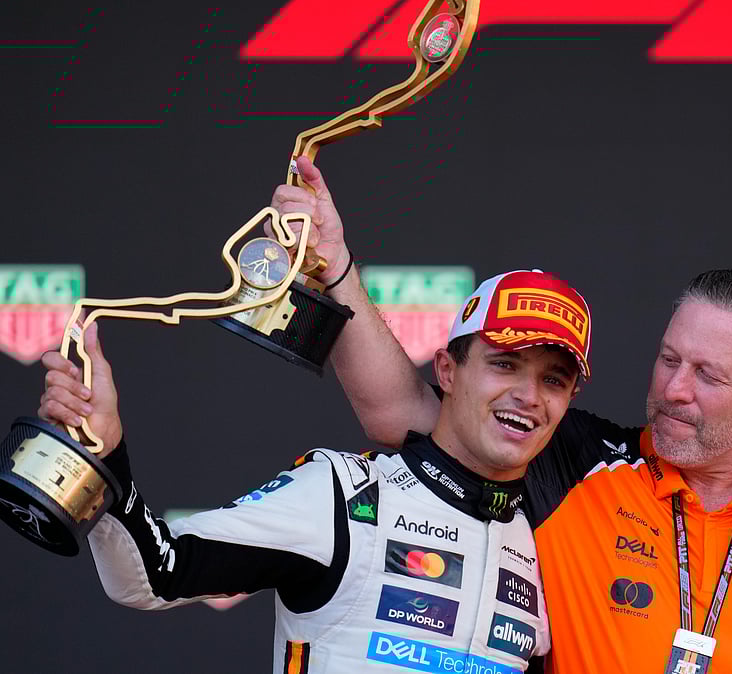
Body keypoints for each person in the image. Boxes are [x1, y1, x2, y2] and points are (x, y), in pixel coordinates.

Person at [283, 160, 732, 672]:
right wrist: (335, 268)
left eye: (709, 375)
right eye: (669, 359)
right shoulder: (573, 461)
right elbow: (400, 410)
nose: (673, 389)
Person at [38, 267, 595, 674]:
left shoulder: (546, 541)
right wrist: (105, 454)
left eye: (553, 380)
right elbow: (152, 576)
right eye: (504, 364)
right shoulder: (344, 495)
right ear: (448, 370)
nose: (527, 396)